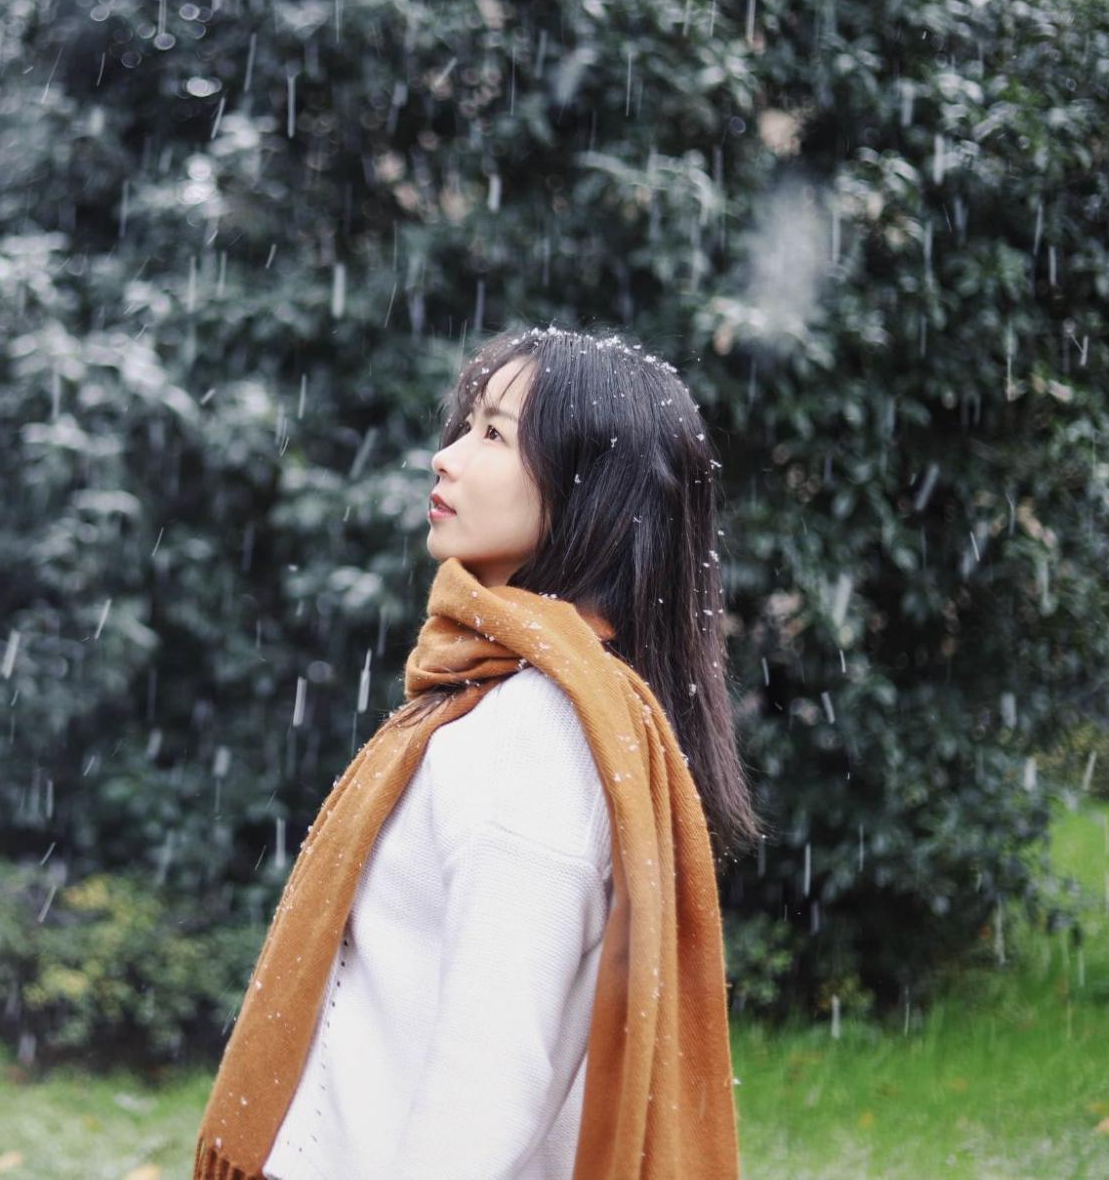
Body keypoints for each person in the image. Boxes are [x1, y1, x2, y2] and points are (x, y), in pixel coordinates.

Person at [194, 325, 761, 1180]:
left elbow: (487, 1080)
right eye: (465, 425)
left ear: (588, 492)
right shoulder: (506, 701)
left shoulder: (535, 730)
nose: (445, 457)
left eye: (493, 434)